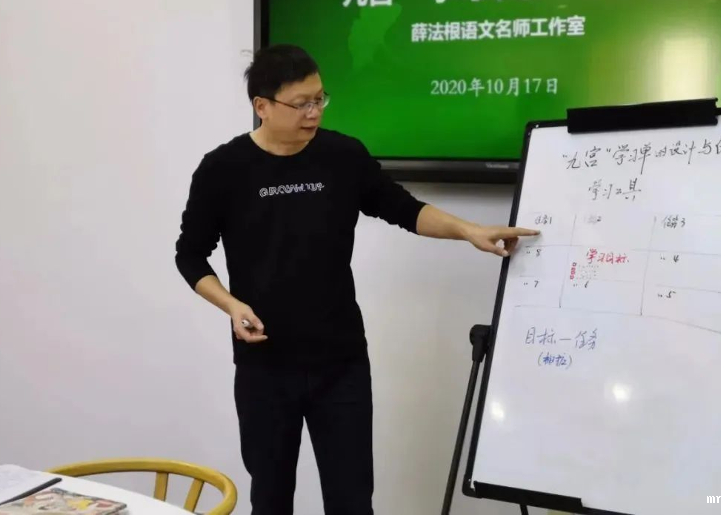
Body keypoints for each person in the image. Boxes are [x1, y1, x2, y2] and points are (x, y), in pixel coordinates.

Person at [174, 44, 538, 515]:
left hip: (340, 362)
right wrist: (231, 304)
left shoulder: (342, 155)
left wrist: (469, 230)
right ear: (261, 106)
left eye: (320, 99)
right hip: (265, 366)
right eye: (301, 103)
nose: (314, 112)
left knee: (352, 501)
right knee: (270, 499)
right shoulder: (223, 169)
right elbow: (190, 255)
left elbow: (404, 209)